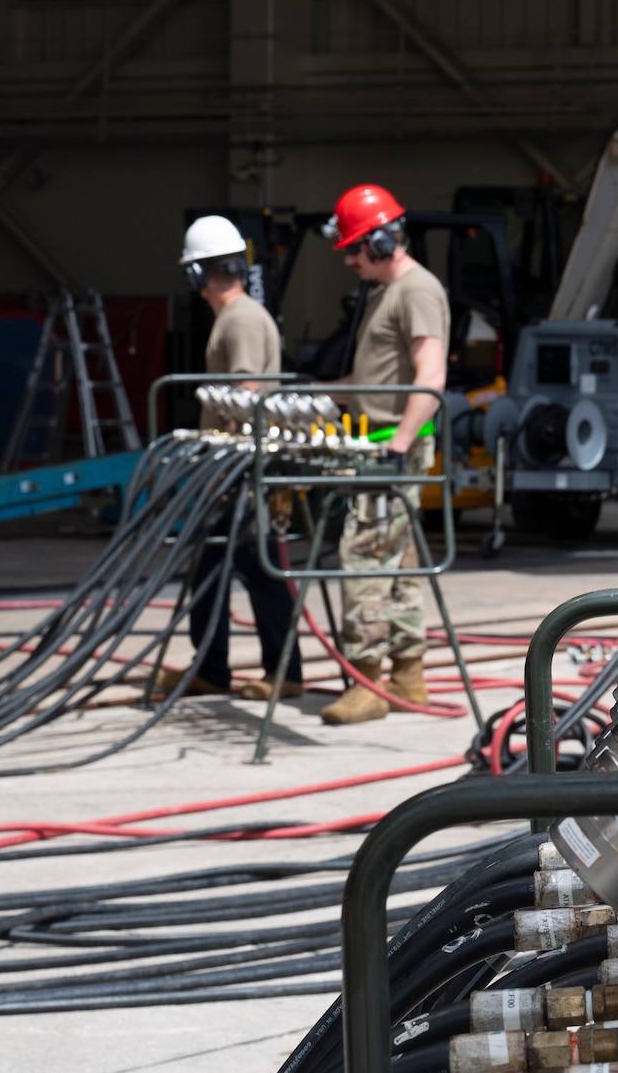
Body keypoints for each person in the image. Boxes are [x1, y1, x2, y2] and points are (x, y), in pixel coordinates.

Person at [151, 216, 303, 702]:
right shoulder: (241, 317)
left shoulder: (239, 320)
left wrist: (218, 466)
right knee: (211, 570)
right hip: (230, 470)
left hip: (239, 472)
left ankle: (284, 672)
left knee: (259, 572)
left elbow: (245, 395)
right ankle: (211, 669)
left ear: (197, 274)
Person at [320, 184, 449, 727]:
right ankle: (408, 677)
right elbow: (375, 381)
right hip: (379, 437)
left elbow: (431, 376)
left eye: (354, 250)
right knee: (399, 563)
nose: (350, 261)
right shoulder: (385, 294)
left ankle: (367, 682)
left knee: (364, 558)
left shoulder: (416, 291)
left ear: (380, 240)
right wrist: (321, 394)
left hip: (393, 443)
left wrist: (398, 445)